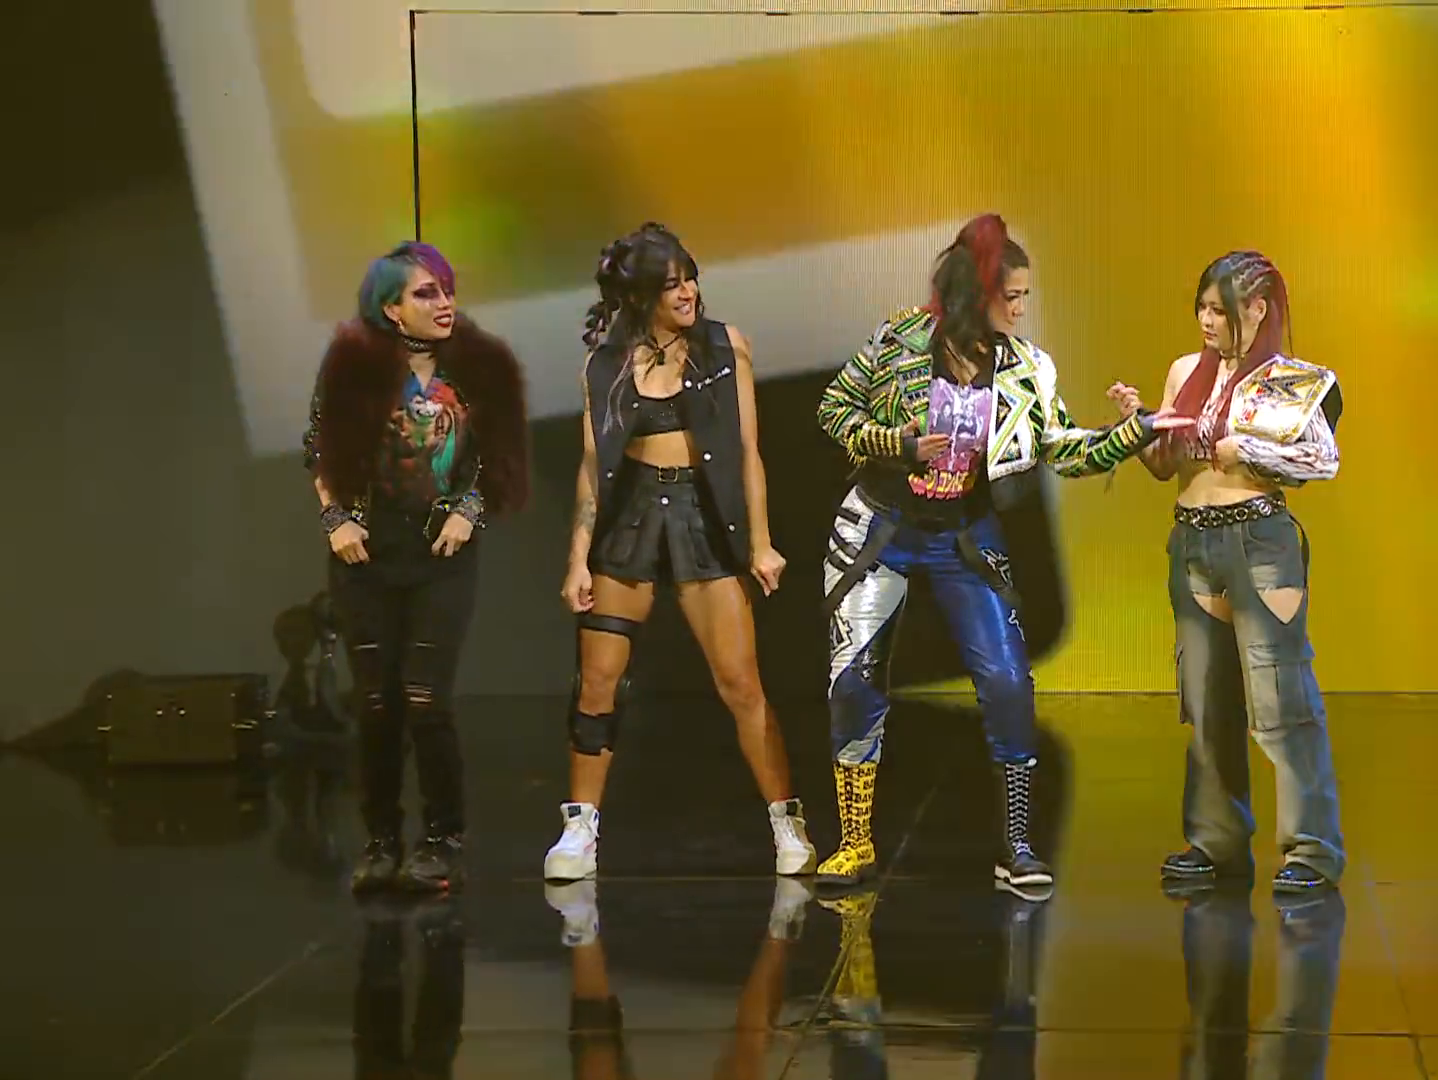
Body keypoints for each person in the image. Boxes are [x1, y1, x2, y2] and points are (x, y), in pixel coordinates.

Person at [813, 213, 1190, 895]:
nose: (1020, 309)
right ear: (975, 293)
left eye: (1024, 297)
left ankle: (1016, 846)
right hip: (882, 529)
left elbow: (1063, 450)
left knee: (1009, 680)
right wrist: (897, 444)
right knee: (855, 680)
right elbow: (834, 411)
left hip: (964, 535)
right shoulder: (899, 339)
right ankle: (855, 841)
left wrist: (1135, 431)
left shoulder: (1027, 369)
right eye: (1010, 295)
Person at [544, 223, 815, 883]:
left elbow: (747, 451)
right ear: (641, 295)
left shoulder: (725, 347)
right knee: (597, 683)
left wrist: (760, 542)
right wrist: (578, 559)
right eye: (671, 285)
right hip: (630, 518)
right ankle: (579, 827)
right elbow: (592, 466)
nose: (688, 292)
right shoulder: (606, 363)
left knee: (740, 682)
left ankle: (787, 823)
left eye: (690, 278)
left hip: (703, 516)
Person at [304, 241, 530, 893]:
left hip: (441, 558)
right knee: (376, 703)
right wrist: (335, 519)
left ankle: (442, 839)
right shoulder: (350, 366)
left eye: (447, 289)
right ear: (391, 308)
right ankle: (380, 840)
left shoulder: (482, 367)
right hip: (366, 556)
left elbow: (501, 455)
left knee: (426, 700)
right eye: (426, 293)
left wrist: (469, 512)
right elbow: (319, 447)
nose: (444, 302)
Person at [1136, 250, 1346, 896]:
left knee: (1281, 699)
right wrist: (1139, 427)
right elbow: (1165, 466)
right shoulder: (1185, 372)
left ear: (1257, 309)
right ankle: (1216, 840)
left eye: (1219, 310)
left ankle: (1312, 850)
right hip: (1193, 541)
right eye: (1201, 308)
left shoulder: (1286, 381)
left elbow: (1321, 460)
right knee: (1205, 699)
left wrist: (1247, 448)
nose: (1207, 321)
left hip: (1259, 541)